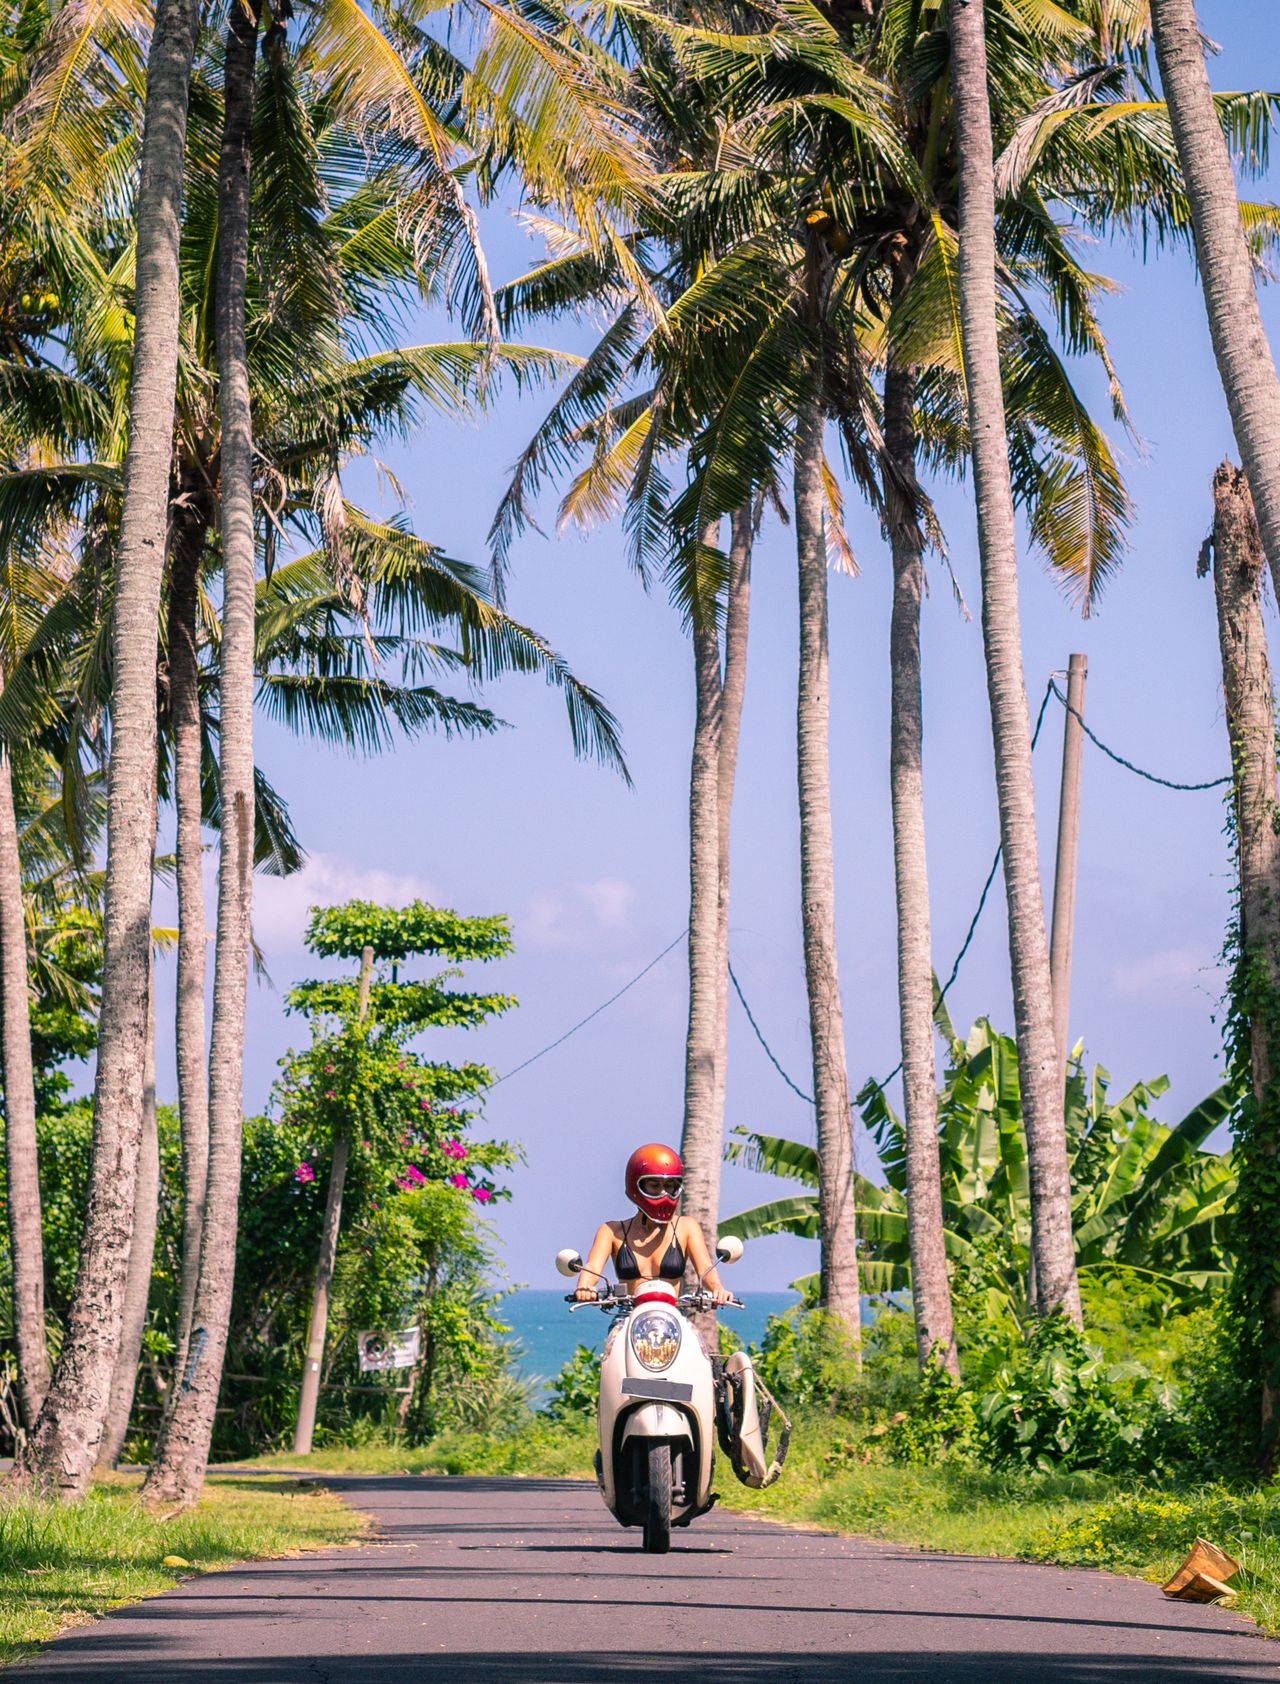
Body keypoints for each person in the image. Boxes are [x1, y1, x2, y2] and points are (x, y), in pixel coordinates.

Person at [574, 1142, 735, 1304]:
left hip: (670, 1317)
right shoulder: (611, 1231)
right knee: (615, 1331)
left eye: (670, 1186)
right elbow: (593, 1267)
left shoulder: (686, 1227)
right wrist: (584, 1286)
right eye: (655, 1185)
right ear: (636, 1185)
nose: (664, 1193)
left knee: (692, 1330)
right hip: (628, 1317)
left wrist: (718, 1289)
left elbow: (705, 1269)